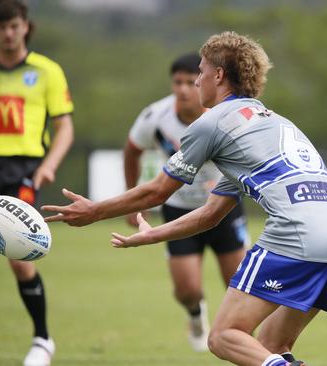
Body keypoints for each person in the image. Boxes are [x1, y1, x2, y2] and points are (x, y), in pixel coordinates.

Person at [43, 31, 327, 366]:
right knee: (268, 347)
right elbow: (210, 214)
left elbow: (157, 190)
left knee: (223, 337)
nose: (195, 85)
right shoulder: (275, 124)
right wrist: (150, 235)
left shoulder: (213, 123)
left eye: (200, 74)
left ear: (218, 75)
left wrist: (95, 210)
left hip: (296, 236)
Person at [0, 1, 75, 365]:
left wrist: (49, 166)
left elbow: (64, 128)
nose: (9, 33)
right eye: (2, 27)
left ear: (26, 27)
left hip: (25, 169)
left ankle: (42, 340)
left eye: (15, 25)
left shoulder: (47, 72)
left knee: (19, 257)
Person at [123, 53, 248, 352]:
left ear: (203, 81)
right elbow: (131, 151)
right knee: (187, 289)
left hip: (224, 208)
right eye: (176, 82)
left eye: (189, 82)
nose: (181, 89)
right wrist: (133, 200)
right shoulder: (156, 117)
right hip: (179, 209)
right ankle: (195, 314)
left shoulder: (223, 114)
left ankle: (244, 341)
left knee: (240, 285)